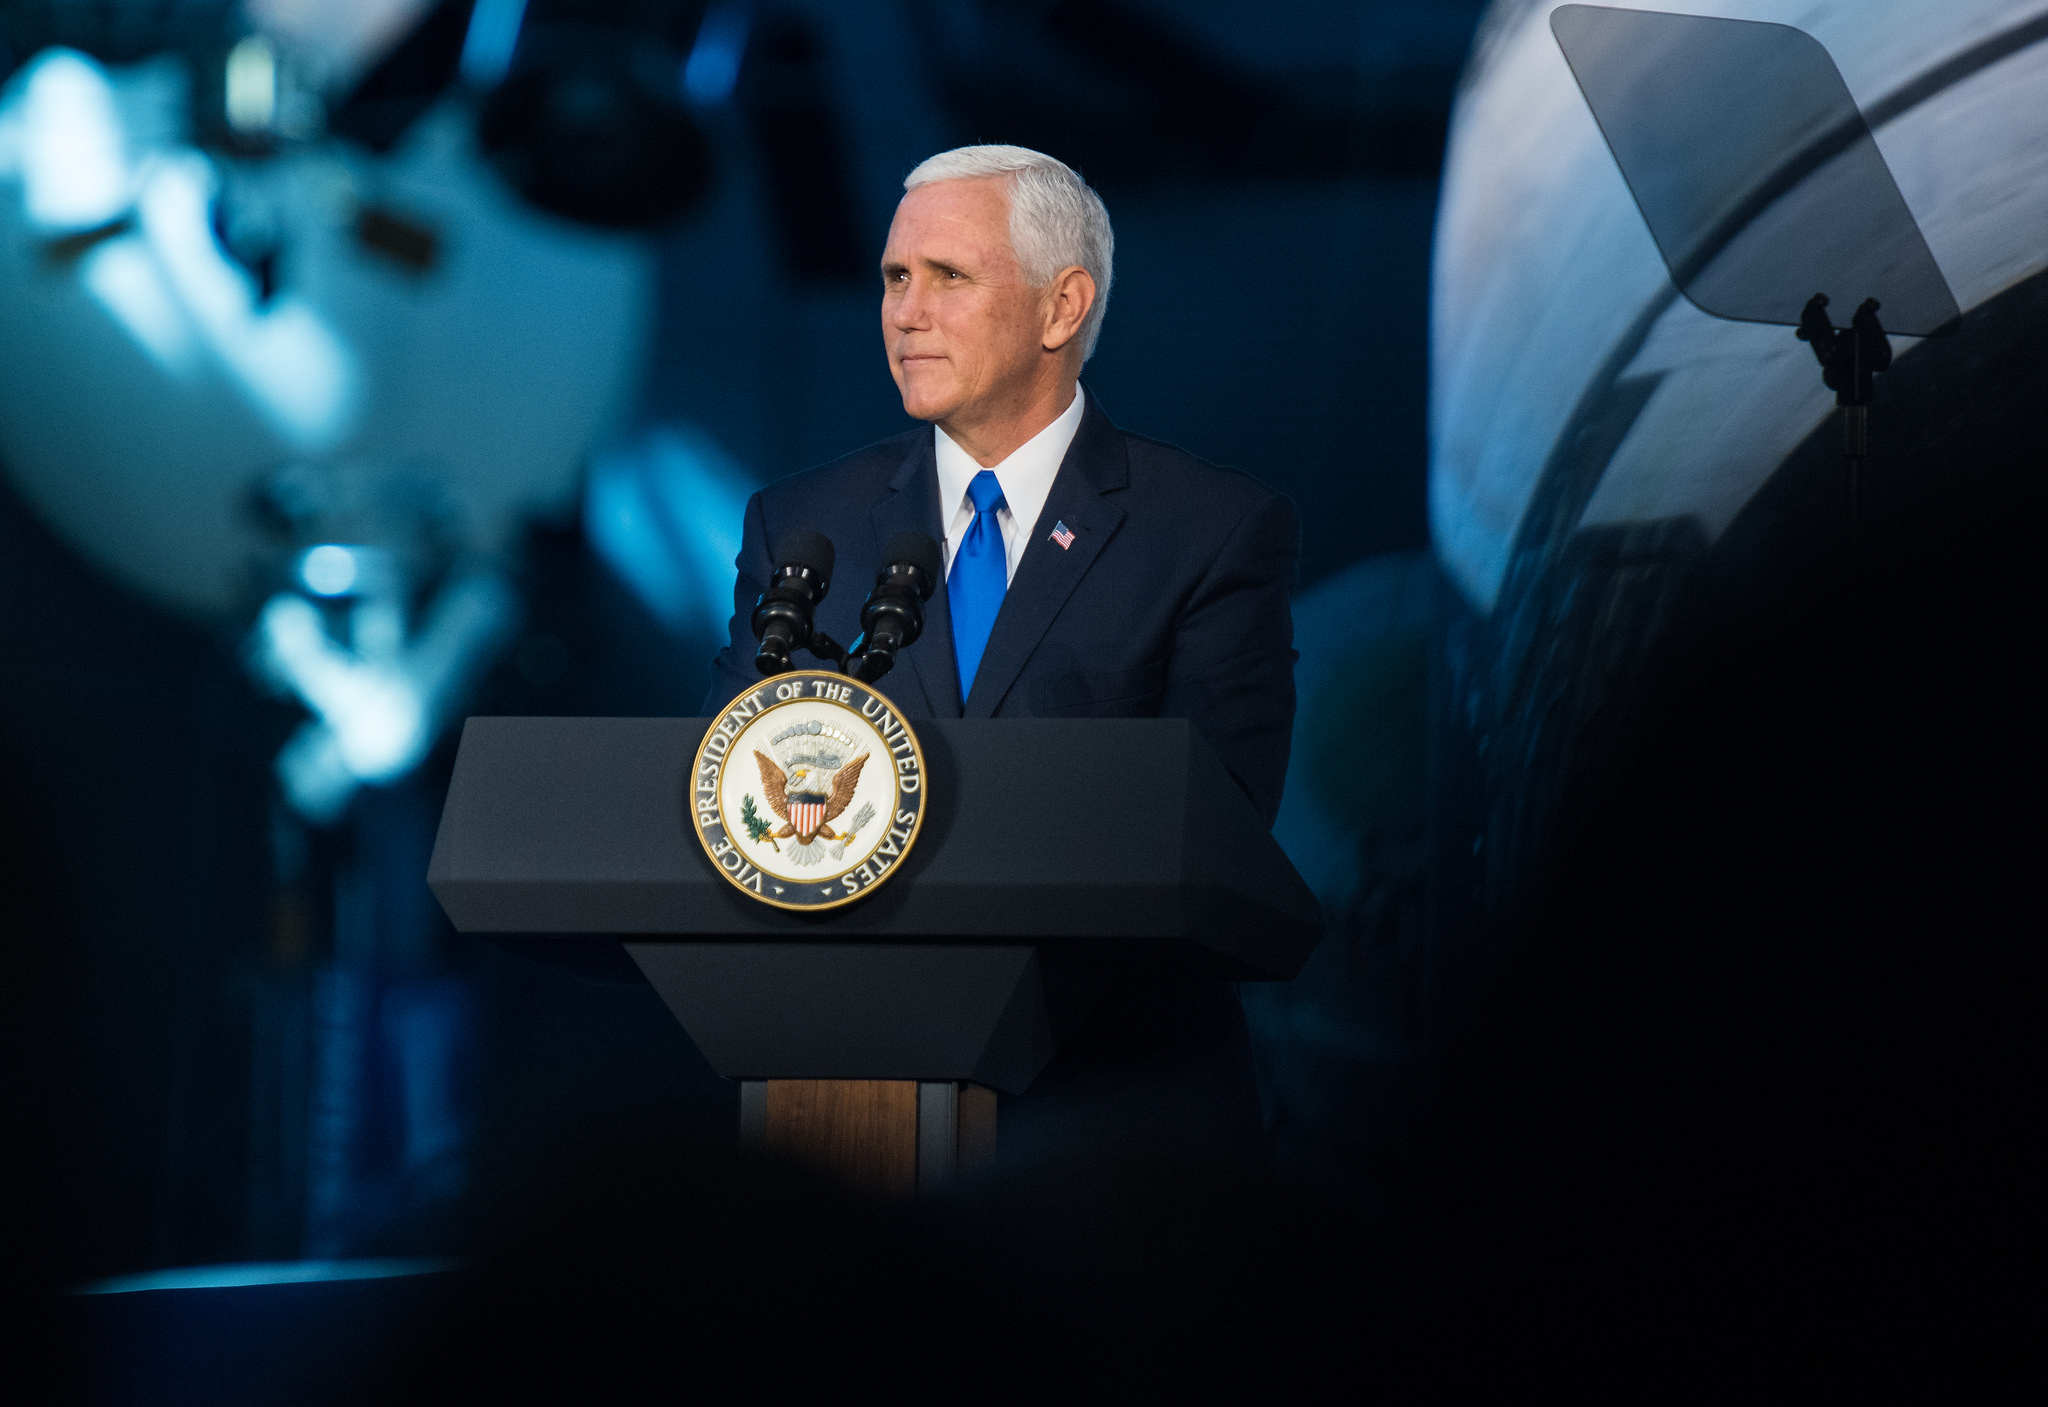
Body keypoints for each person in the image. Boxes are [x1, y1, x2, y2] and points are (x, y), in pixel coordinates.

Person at [704, 144, 1299, 1158]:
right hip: (843, 1103)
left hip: (1115, 1118)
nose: (904, 311)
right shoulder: (803, 528)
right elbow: (721, 795)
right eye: (894, 277)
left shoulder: (1204, 531)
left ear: (1062, 308)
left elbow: (1218, 823)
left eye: (948, 277)